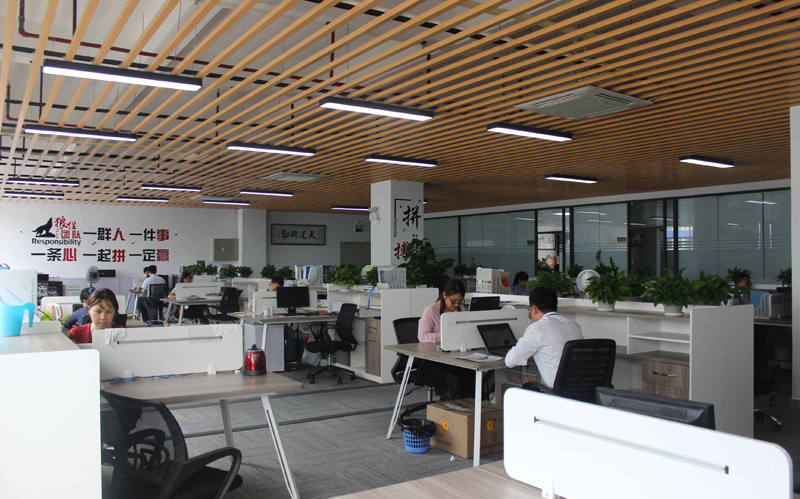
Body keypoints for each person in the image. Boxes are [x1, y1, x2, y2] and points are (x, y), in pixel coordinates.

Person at [504, 286, 584, 388]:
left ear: (534, 309)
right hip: (581, 389)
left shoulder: (537, 329)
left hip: (557, 392)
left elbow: (510, 361)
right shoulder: (574, 325)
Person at [418, 279, 475, 400]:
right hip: (434, 360)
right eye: (454, 301)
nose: (456, 305)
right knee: (453, 377)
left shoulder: (460, 309)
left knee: (470, 374)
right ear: (444, 295)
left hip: (455, 357)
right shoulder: (431, 310)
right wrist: (444, 336)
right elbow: (422, 336)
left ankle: (468, 408)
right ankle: (449, 408)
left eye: (460, 301)